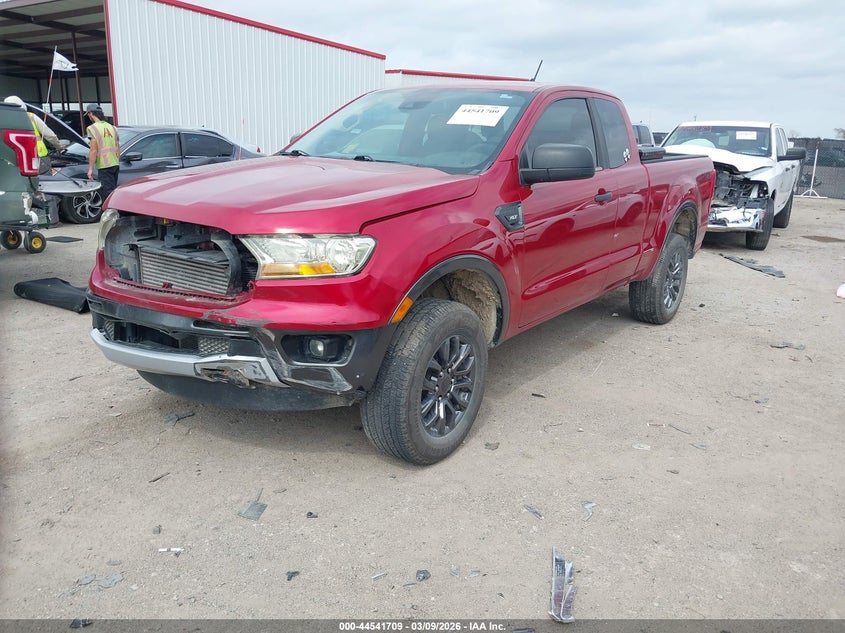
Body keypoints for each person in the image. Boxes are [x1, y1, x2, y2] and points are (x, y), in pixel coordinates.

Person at [3, 95, 63, 173]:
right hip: (39, 157)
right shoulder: (31, 116)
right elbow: (50, 135)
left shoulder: (4, 120)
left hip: (13, 161)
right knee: (45, 180)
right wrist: (59, 147)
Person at [84, 103, 120, 204]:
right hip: (115, 164)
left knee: (107, 194)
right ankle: (114, 210)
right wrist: (117, 160)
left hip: (104, 165)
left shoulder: (92, 128)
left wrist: (90, 169)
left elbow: (93, 150)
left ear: (91, 114)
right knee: (113, 192)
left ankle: (110, 212)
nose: (89, 117)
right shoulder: (113, 127)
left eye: (88, 114)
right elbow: (117, 146)